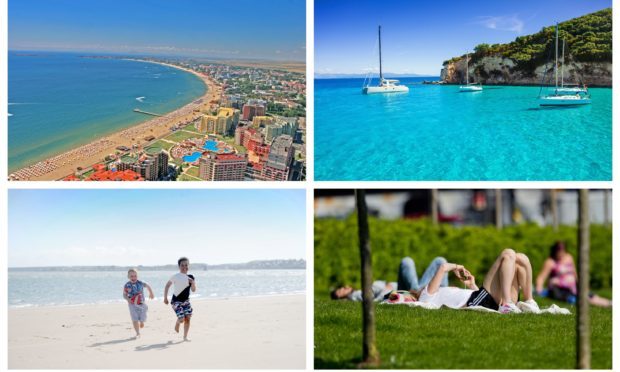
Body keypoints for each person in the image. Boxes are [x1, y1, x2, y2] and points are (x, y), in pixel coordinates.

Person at [414, 248, 540, 314]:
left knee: (521, 258)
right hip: (480, 300)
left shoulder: (437, 294)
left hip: (481, 298)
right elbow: (443, 267)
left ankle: (529, 302)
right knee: (507, 254)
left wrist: (472, 285)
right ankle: (507, 304)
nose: (428, 286)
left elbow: (480, 300)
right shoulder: (425, 297)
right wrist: (458, 267)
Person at [330, 256, 449, 301]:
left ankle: (435, 293)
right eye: (341, 291)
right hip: (402, 293)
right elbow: (374, 300)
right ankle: (424, 293)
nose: (344, 287)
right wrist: (386, 290)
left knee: (440, 261)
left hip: (409, 289)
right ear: (341, 298)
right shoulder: (355, 296)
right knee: (406, 261)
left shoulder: (356, 292)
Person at [536, 241, 611, 307]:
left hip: (573, 287)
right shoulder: (550, 262)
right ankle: (606, 304)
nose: (561, 253)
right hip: (560, 290)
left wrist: (582, 285)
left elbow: (575, 273)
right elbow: (541, 277)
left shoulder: (569, 257)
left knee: (592, 296)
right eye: (559, 250)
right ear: (555, 251)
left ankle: (610, 303)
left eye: (563, 250)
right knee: (585, 300)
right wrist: (539, 290)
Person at [164, 257, 197, 341]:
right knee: (182, 319)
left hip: (186, 301)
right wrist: (165, 298)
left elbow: (193, 290)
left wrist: (192, 282)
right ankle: (178, 322)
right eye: (182, 265)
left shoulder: (191, 277)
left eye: (186, 265)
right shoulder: (175, 276)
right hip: (176, 301)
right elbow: (167, 286)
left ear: (188, 266)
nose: (184, 267)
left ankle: (185, 337)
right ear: (179, 266)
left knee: (188, 318)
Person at [123, 268, 155, 339]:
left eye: (135, 276)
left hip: (141, 303)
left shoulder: (140, 283)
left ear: (137, 276)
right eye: (131, 276)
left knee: (143, 315)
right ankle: (137, 333)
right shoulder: (127, 285)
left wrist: (151, 293)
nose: (133, 277)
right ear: (128, 277)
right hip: (132, 304)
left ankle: (142, 321)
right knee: (134, 318)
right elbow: (124, 294)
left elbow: (148, 286)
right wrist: (127, 299)